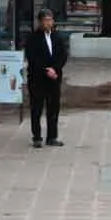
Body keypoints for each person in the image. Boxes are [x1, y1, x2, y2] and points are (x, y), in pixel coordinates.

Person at [25, 10, 70, 148]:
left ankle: (52, 136)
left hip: (54, 77)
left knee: (53, 107)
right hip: (38, 78)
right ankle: (37, 136)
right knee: (37, 108)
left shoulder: (57, 37)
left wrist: (55, 69)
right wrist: (46, 70)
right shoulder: (33, 38)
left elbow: (63, 55)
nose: (48, 23)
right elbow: (32, 58)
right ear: (40, 22)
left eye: (50, 20)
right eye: (45, 20)